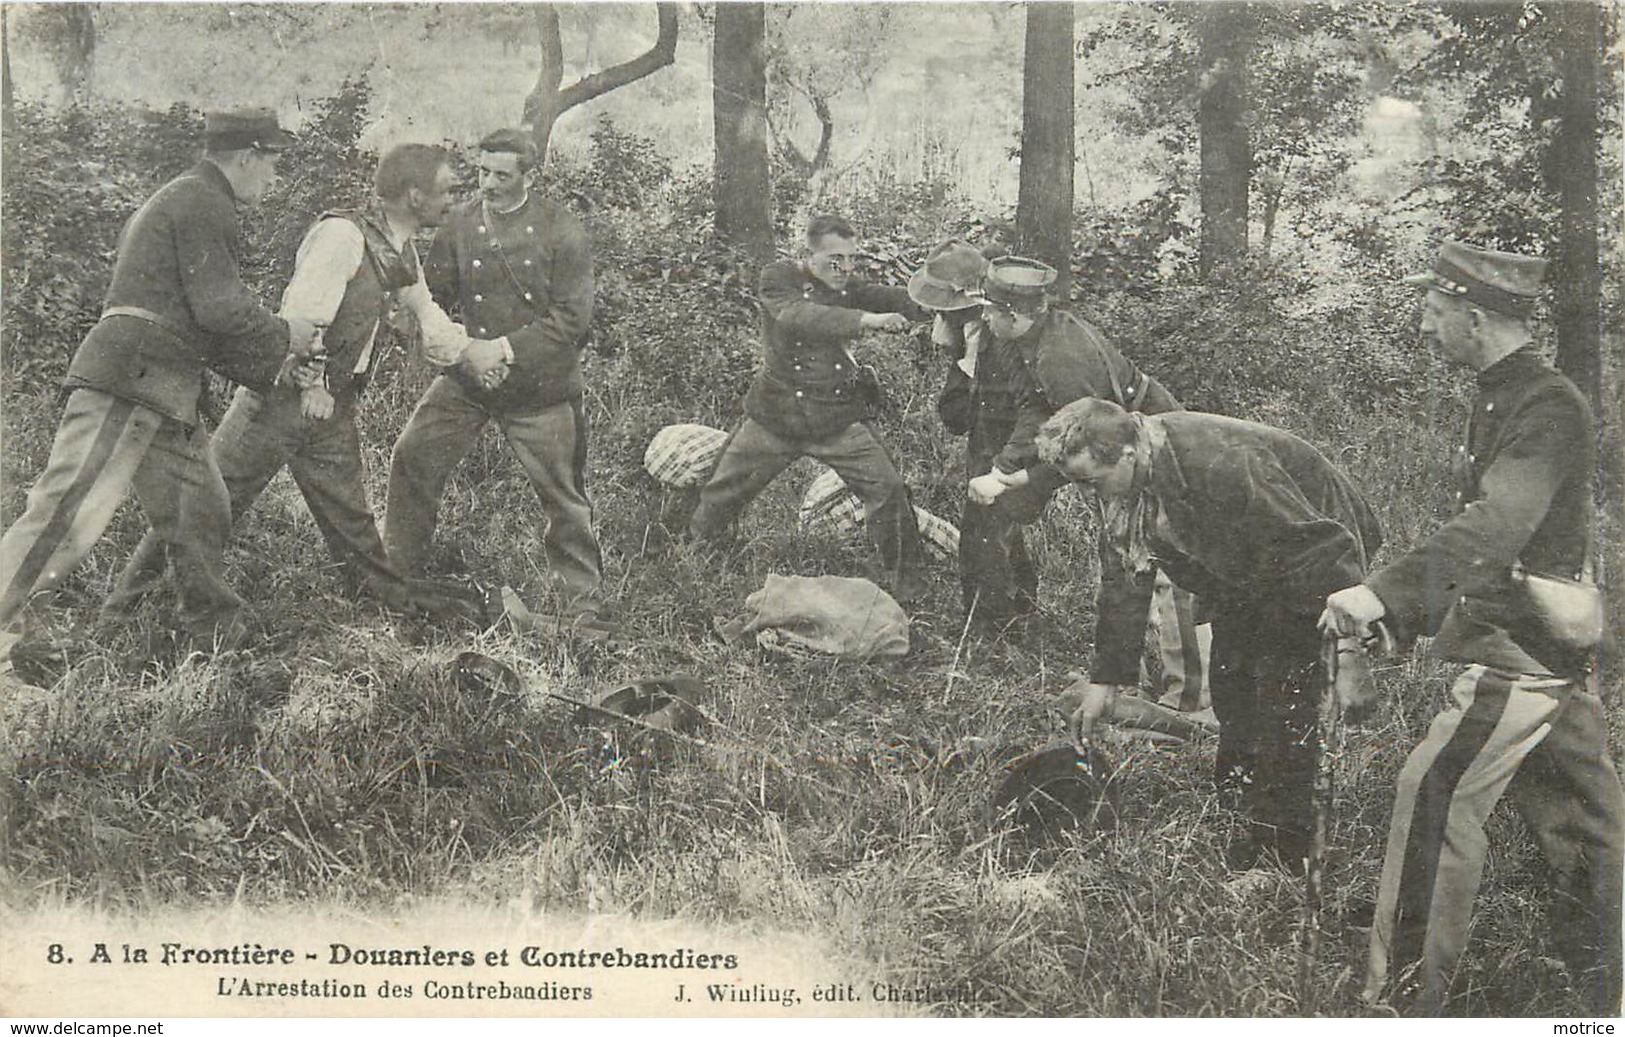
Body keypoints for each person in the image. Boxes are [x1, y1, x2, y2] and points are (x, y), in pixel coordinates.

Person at [1323, 241, 1623, 1015]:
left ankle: (1396, 1004)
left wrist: (1383, 595)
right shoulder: (1506, 392)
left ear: (1475, 316)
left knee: (1431, 793)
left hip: (1517, 653)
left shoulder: (1544, 405)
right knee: (1583, 829)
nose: (1425, 328)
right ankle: (1603, 999)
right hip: (1537, 645)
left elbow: (1496, 525)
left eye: (1433, 312)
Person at [106, 144, 498, 619]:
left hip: (330, 411)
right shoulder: (343, 237)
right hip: (283, 401)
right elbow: (299, 321)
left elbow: (429, 319)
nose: (455, 199)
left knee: (353, 525)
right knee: (205, 509)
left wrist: (477, 355)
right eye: (447, 190)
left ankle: (392, 611)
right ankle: (127, 610)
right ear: (415, 195)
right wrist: (312, 385)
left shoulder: (398, 248)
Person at [0, 107, 321, 647]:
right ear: (248, 157)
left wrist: (275, 361)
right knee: (66, 513)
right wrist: (287, 332)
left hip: (165, 387)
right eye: (273, 165)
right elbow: (219, 311)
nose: (274, 178)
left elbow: (197, 319)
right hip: (133, 380)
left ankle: (216, 640)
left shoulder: (186, 198)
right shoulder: (201, 202)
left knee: (202, 508)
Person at [1044, 397, 1382, 871]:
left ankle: (1284, 856)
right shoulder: (1126, 483)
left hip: (1312, 561)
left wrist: (1349, 652)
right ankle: (1242, 814)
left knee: (1283, 706)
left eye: (1090, 482)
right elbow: (1123, 581)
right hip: (1242, 571)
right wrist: (1105, 683)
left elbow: (1323, 548)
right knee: (1234, 690)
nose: (1086, 496)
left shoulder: (1219, 462)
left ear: (1125, 454)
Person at [948, 255, 1208, 708]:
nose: (984, 318)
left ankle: (1188, 697)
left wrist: (1017, 479)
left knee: (1161, 561)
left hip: (1146, 449)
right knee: (1127, 560)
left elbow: (1079, 453)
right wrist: (1007, 468)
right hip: (1114, 445)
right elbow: (1037, 407)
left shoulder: (1061, 359)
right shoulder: (1030, 337)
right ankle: (1127, 678)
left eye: (989, 310)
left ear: (1013, 313)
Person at [383, 128, 607, 635]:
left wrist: (503, 349)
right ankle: (397, 579)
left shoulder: (560, 227)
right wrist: (448, 340)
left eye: (502, 175)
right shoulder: (460, 223)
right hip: (468, 381)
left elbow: (573, 318)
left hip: (540, 387)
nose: (487, 184)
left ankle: (581, 606)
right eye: (482, 171)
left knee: (563, 497)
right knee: (413, 455)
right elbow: (432, 290)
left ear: (530, 175)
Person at [688, 215, 929, 602]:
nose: (846, 269)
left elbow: (884, 296)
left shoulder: (847, 286)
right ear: (807, 255)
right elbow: (799, 316)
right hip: (776, 417)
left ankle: (911, 589)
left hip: (834, 418)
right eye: (835, 259)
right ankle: (692, 563)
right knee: (722, 491)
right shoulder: (778, 278)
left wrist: (931, 300)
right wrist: (869, 321)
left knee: (888, 491)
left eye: (851, 259)